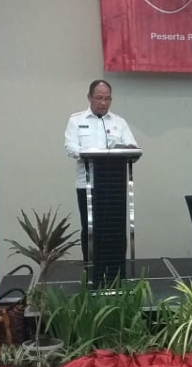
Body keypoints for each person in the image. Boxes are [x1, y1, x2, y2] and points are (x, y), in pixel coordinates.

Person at [64, 79, 138, 262]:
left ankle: (116, 271)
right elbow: (70, 146)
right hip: (87, 185)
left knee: (115, 229)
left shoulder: (119, 122)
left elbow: (133, 148)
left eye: (107, 98)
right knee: (90, 229)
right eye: (99, 98)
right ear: (89, 97)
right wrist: (88, 154)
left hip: (114, 185)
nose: (103, 102)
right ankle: (90, 271)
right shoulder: (76, 120)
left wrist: (127, 149)